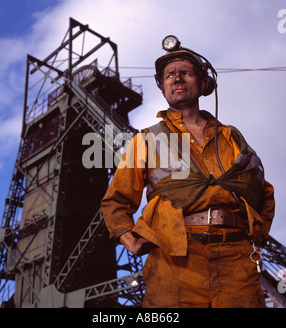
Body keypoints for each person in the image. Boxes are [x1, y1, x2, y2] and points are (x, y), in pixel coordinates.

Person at [101, 36, 275, 308]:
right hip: (175, 261)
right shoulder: (147, 140)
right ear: (163, 88)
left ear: (203, 84)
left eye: (186, 73)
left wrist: (255, 235)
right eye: (169, 76)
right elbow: (116, 200)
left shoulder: (230, 137)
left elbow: (262, 189)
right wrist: (129, 239)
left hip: (237, 262)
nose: (177, 79)